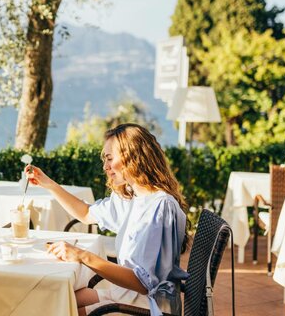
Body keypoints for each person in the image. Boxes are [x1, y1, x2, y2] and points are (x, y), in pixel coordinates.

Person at [25, 123, 190, 316]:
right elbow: (86, 214)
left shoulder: (160, 207)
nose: (105, 166)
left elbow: (142, 284)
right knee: (53, 298)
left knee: (58, 308)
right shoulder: (133, 197)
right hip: (125, 296)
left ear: (133, 156)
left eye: (110, 158)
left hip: (146, 307)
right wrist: (49, 184)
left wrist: (82, 255)